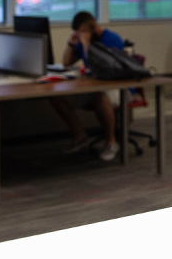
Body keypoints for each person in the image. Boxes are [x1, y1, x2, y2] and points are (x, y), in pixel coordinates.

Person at [51, 11, 124, 161]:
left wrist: (86, 45)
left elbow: (100, 66)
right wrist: (71, 44)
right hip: (92, 84)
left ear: (93, 26)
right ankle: (80, 136)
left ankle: (111, 142)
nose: (80, 35)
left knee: (101, 98)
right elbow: (66, 63)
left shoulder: (111, 39)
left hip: (115, 86)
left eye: (82, 31)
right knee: (56, 96)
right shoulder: (83, 39)